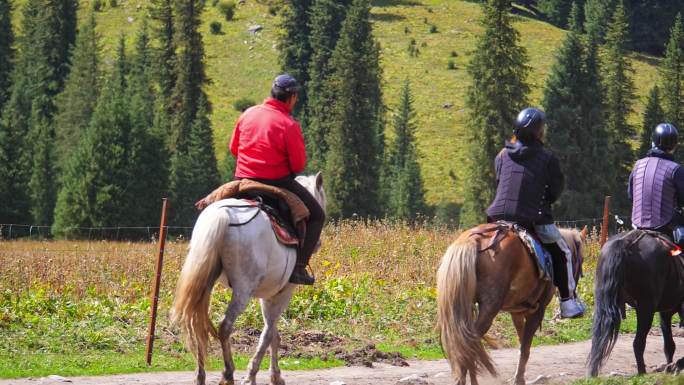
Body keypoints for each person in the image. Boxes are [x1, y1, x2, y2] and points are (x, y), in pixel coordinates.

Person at [486, 107, 584, 318]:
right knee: (563, 252)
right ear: (540, 132)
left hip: (498, 217)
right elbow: (555, 190)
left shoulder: (502, 155)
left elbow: (499, 182)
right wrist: (543, 202)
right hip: (532, 218)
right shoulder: (547, 158)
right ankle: (567, 302)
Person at [229, 74, 325, 285]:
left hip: (242, 181)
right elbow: (298, 165)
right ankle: (299, 268)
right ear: (291, 98)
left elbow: (233, 148)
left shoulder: (248, 114)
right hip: (277, 182)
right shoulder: (289, 125)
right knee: (317, 215)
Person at [629, 123, 684, 247]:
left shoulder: (638, 165)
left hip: (637, 223)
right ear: (674, 145)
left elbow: (631, 195)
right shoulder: (676, 170)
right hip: (666, 225)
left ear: (653, 141)